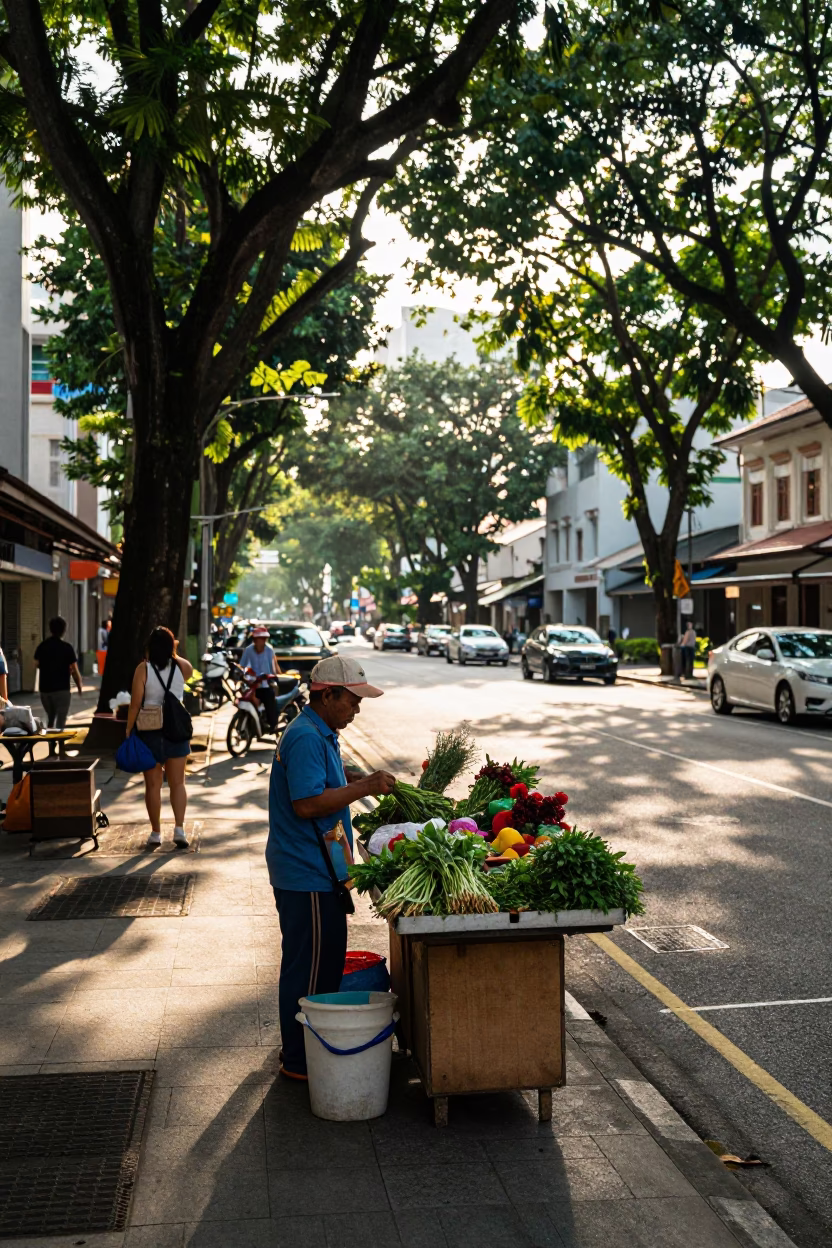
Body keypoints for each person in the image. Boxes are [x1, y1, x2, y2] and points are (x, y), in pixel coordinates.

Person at [267, 654, 396, 1080]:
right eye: (352, 700)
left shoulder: (320, 733)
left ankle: (301, 1051)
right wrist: (364, 787)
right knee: (309, 973)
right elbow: (306, 804)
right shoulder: (305, 737)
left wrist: (358, 776)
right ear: (328, 695)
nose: (357, 709)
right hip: (307, 874)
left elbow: (325, 780)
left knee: (316, 967)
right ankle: (300, 1060)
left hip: (315, 871)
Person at [125, 626, 194, 848]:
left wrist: (128, 729)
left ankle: (156, 833)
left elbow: (136, 703)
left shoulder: (142, 670)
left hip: (150, 732)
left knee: (153, 785)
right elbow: (185, 667)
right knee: (178, 783)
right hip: (176, 730)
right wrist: (173, 651)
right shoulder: (182, 666)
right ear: (172, 646)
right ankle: (180, 829)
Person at [34, 617, 83, 729]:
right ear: (64, 630)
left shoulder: (42, 646)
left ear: (50, 629)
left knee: (50, 716)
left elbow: (36, 664)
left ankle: (51, 742)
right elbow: (75, 670)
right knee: (61, 720)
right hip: (62, 689)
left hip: (45, 689)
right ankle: (59, 743)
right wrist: (79, 686)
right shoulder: (67, 648)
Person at [240, 626, 281, 732]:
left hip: (266, 684)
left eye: (263, 639)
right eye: (259, 639)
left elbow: (273, 667)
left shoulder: (269, 650)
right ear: (254, 640)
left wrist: (275, 676)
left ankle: (272, 726)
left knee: (270, 703)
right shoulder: (248, 650)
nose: (261, 641)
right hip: (252, 684)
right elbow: (242, 666)